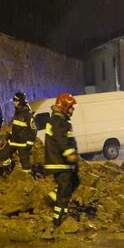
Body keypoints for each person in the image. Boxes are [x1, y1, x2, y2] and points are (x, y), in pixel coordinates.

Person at [44, 93, 80, 227]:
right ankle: (57, 219)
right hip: (60, 162)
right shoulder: (58, 121)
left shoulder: (60, 120)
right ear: (64, 106)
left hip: (62, 163)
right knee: (64, 188)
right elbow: (61, 140)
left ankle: (61, 209)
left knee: (70, 185)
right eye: (71, 107)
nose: (73, 110)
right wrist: (69, 153)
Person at [0, 92, 37, 175]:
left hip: (23, 143)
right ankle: (7, 172)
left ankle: (28, 181)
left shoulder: (28, 115)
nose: (14, 103)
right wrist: (10, 135)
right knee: (2, 155)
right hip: (14, 140)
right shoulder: (17, 112)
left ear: (21, 102)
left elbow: (33, 131)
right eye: (14, 101)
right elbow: (17, 127)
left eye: (16, 101)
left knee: (25, 165)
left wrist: (29, 144)